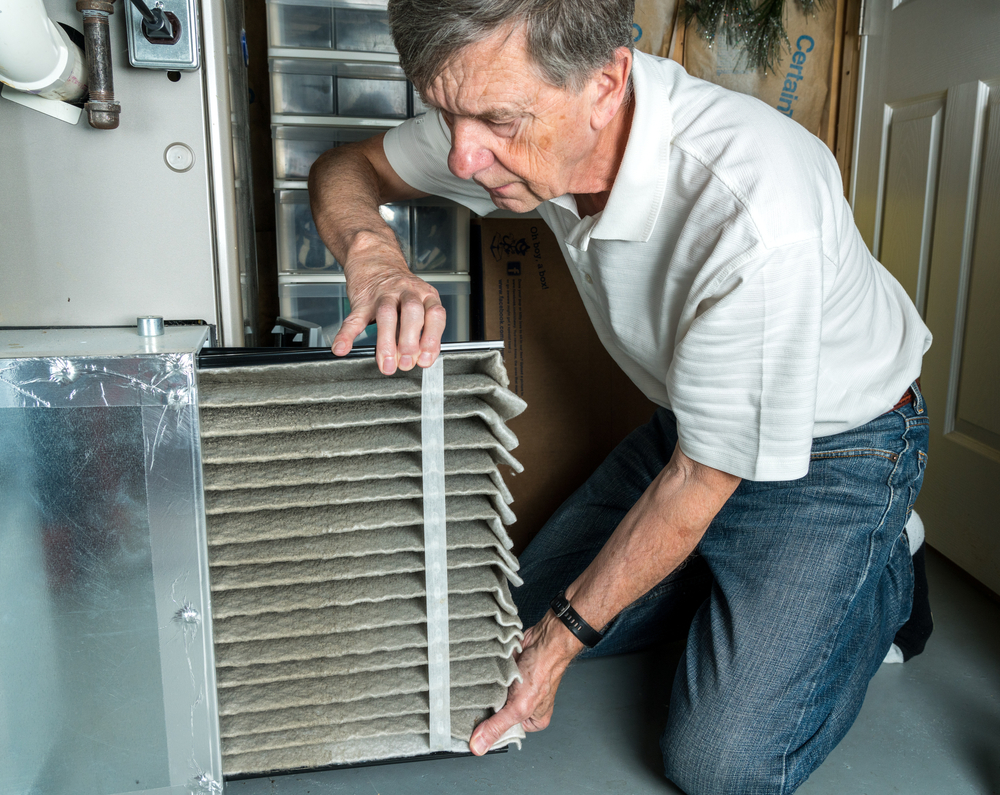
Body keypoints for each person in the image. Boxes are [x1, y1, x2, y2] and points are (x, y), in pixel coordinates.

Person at [308, 1, 933, 791]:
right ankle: (731, 582)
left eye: (497, 121)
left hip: (839, 447)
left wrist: (565, 639)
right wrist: (374, 254)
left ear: (606, 83)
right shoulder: (499, 101)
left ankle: (889, 564)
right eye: (446, 115)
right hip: (691, 432)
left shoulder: (756, 204)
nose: (463, 158)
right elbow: (344, 167)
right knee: (489, 637)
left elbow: (702, 480)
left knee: (721, 764)